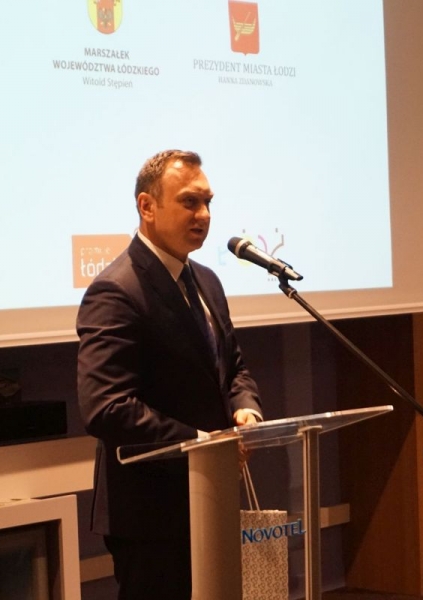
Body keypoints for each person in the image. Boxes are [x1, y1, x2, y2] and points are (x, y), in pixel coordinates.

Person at [77, 149, 263, 600]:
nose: (204, 215)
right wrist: (200, 443)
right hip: (150, 516)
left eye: (208, 202)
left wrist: (246, 410)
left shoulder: (207, 280)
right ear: (147, 206)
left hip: (210, 498)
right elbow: (106, 407)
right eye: (189, 202)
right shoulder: (115, 290)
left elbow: (232, 367)